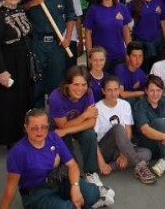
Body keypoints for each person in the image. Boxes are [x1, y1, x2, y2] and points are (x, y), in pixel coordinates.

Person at [0, 109, 101, 209]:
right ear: (26, 128)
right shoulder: (18, 152)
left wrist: (75, 187)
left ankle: (73, 203)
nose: (39, 131)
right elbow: (11, 187)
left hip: (58, 181)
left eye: (44, 127)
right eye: (34, 128)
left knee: (93, 194)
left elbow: (72, 165)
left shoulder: (53, 138)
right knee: (66, 208)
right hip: (36, 192)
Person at [48, 65, 115, 204]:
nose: (80, 89)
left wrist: (68, 128)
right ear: (67, 84)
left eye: (83, 84)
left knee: (89, 134)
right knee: (64, 141)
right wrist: (84, 115)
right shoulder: (56, 97)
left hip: (71, 127)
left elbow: (91, 123)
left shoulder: (88, 93)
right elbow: (61, 125)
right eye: (76, 84)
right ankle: (76, 179)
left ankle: (91, 172)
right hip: (56, 129)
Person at [23, 0, 76, 108]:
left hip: (57, 44)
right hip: (37, 43)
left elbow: (71, 15)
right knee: (36, 84)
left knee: (56, 84)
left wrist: (67, 39)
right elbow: (20, 10)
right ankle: (37, 119)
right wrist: (32, 3)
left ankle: (55, 121)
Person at [0, 0, 33, 148]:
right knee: (9, 101)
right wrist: (2, 71)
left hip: (22, 61)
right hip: (8, 62)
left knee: (22, 99)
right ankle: (10, 139)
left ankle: (22, 134)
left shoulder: (20, 10)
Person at [94, 76, 156, 184]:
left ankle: (111, 167)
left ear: (119, 90)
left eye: (116, 89)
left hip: (121, 147)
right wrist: (101, 162)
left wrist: (124, 153)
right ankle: (139, 166)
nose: (113, 93)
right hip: (105, 149)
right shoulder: (97, 108)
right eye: (109, 90)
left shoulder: (125, 105)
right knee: (118, 128)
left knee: (147, 153)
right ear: (103, 91)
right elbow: (93, 140)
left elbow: (128, 130)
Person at [84, 0, 132, 74]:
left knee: (117, 85)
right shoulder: (94, 10)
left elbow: (126, 32)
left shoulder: (122, 8)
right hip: (99, 58)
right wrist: (90, 56)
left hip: (119, 56)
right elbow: (88, 34)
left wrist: (129, 53)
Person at [128, 0, 165, 73]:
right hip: (140, 42)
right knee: (142, 71)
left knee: (157, 70)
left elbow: (163, 22)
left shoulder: (159, 2)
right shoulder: (134, 3)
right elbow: (124, 19)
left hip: (156, 42)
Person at [56, 0, 84, 69]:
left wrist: (80, 40)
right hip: (55, 39)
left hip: (70, 38)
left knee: (71, 70)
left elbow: (77, 19)